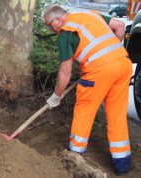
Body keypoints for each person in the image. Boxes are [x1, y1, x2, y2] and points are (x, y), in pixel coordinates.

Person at [43, 5, 132, 176]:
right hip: (123, 64)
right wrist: (111, 56)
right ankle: (122, 164)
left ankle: (74, 156)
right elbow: (119, 26)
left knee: (84, 110)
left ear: (58, 19)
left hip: (100, 71)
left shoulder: (66, 31)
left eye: (49, 24)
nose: (49, 28)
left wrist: (57, 96)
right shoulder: (89, 14)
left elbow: (65, 71)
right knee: (117, 115)